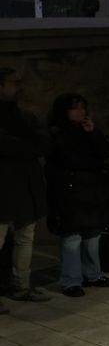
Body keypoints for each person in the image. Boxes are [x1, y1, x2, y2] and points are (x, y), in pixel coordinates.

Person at [45, 93, 109, 298]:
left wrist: (93, 133)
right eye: (76, 108)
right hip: (70, 193)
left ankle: (93, 274)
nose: (81, 112)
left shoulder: (87, 131)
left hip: (92, 192)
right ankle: (71, 281)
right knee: (72, 238)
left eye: (83, 108)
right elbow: (71, 160)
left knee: (93, 236)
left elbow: (105, 152)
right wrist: (95, 164)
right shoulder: (57, 134)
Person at [0, 68, 49, 306]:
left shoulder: (23, 115)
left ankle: (21, 285)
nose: (18, 87)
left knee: (25, 236)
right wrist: (26, 145)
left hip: (24, 184)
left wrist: (25, 145)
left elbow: (42, 141)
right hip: (3, 187)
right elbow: (7, 145)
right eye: (12, 83)